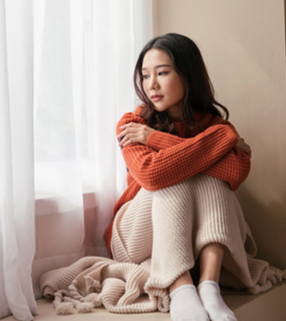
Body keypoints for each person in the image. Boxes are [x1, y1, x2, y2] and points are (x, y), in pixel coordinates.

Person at [104, 33, 252, 321]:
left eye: (162, 73)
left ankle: (209, 286)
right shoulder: (133, 124)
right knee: (176, 177)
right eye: (145, 76)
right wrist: (219, 143)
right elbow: (152, 174)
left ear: (188, 74)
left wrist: (156, 139)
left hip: (190, 234)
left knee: (211, 179)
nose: (151, 85)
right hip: (134, 234)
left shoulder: (215, 126)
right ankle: (180, 288)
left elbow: (235, 173)